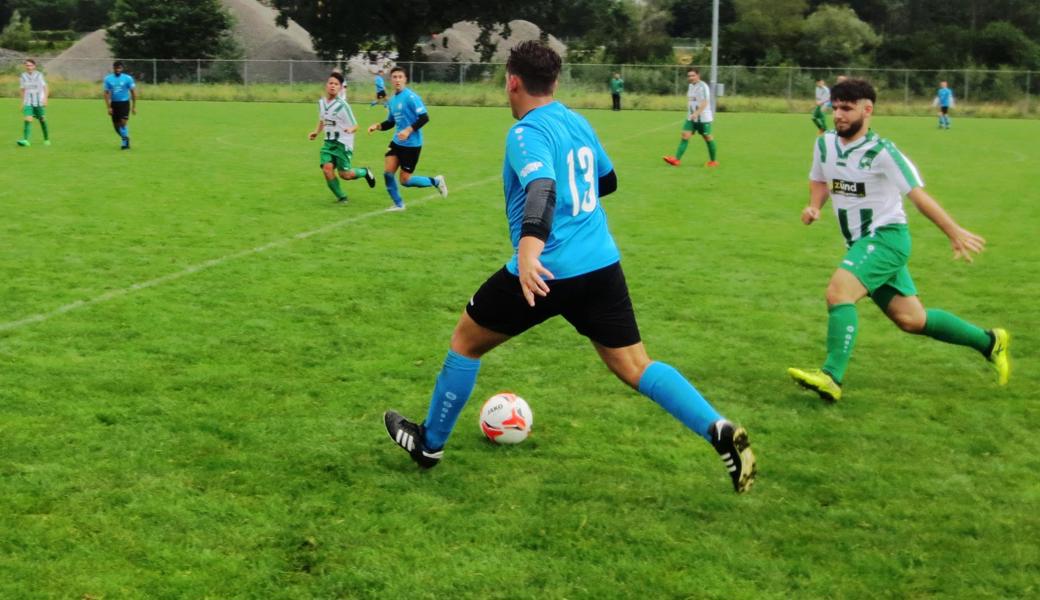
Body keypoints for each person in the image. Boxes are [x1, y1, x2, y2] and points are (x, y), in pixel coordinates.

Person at [383, 41, 757, 494]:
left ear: (512, 81)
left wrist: (529, 250)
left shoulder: (525, 132)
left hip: (546, 270)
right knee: (636, 365)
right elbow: (608, 179)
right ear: (555, 82)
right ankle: (716, 428)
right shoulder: (578, 121)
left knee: (466, 340)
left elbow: (541, 187)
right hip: (601, 264)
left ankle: (429, 444)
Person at [787, 79, 1010, 402]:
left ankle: (831, 376)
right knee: (912, 319)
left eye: (847, 108)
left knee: (839, 292)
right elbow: (820, 178)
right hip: (861, 245)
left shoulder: (883, 152)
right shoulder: (825, 145)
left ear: (868, 110)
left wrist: (954, 231)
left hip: (887, 239)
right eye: (835, 108)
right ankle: (990, 342)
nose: (838, 115)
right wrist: (814, 206)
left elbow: (918, 197)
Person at [366, 67, 447, 211]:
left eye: (400, 77)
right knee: (388, 173)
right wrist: (377, 126)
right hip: (397, 142)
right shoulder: (392, 101)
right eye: (394, 77)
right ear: (391, 80)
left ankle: (436, 181)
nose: (397, 79)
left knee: (405, 180)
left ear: (405, 80)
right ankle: (398, 205)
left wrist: (409, 130)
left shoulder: (411, 97)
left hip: (412, 145)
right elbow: (391, 122)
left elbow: (424, 118)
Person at [308, 72, 376, 203]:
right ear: (326, 85)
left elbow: (356, 125)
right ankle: (342, 197)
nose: (333, 86)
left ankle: (365, 171)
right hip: (328, 143)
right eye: (331, 83)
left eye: (336, 84)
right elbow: (323, 120)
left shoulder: (343, 105)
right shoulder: (321, 103)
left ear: (340, 88)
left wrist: (350, 129)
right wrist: (316, 132)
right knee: (327, 170)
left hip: (342, 143)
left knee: (345, 175)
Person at [663, 68, 717, 168]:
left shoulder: (703, 86)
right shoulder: (690, 86)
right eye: (689, 76)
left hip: (703, 118)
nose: (690, 78)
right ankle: (676, 160)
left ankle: (713, 161)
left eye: (693, 75)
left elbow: (705, 102)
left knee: (707, 137)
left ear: (698, 76)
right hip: (691, 117)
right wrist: (691, 113)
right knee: (685, 135)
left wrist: (696, 113)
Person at [103, 61, 137, 150]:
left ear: (122, 69)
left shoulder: (128, 78)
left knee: (123, 123)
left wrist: (134, 106)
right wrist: (108, 107)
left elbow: (133, 92)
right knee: (116, 127)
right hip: (114, 104)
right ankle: (125, 137)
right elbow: (106, 93)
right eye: (116, 68)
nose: (117, 70)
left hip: (124, 103)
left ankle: (125, 143)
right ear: (113, 68)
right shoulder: (108, 79)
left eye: (119, 68)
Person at [16, 59, 49, 147]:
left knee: (42, 120)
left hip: (39, 102)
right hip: (28, 102)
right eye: (27, 65)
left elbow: (45, 87)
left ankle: (46, 139)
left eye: (30, 65)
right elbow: (22, 90)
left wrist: (45, 98)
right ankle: (26, 140)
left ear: (34, 66)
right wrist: (22, 102)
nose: (28, 67)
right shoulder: (23, 76)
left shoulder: (39, 75)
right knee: (28, 119)